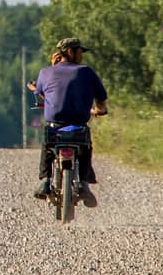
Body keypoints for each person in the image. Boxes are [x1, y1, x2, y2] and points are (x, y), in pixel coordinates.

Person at [28, 37, 108, 199]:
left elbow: (45, 92)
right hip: (78, 124)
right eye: (80, 51)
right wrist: (100, 109)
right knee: (85, 148)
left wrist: (35, 89)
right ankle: (84, 183)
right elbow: (101, 97)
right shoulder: (86, 71)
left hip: (55, 125)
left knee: (48, 147)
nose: (82, 56)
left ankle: (45, 180)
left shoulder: (45, 72)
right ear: (70, 52)